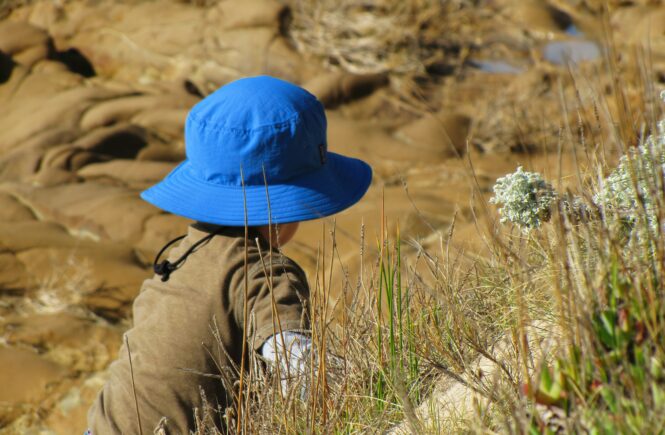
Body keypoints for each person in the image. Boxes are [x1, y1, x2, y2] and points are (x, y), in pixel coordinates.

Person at [86, 75, 372, 434]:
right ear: (288, 204)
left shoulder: (179, 256)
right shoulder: (264, 271)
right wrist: (363, 385)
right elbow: (294, 358)